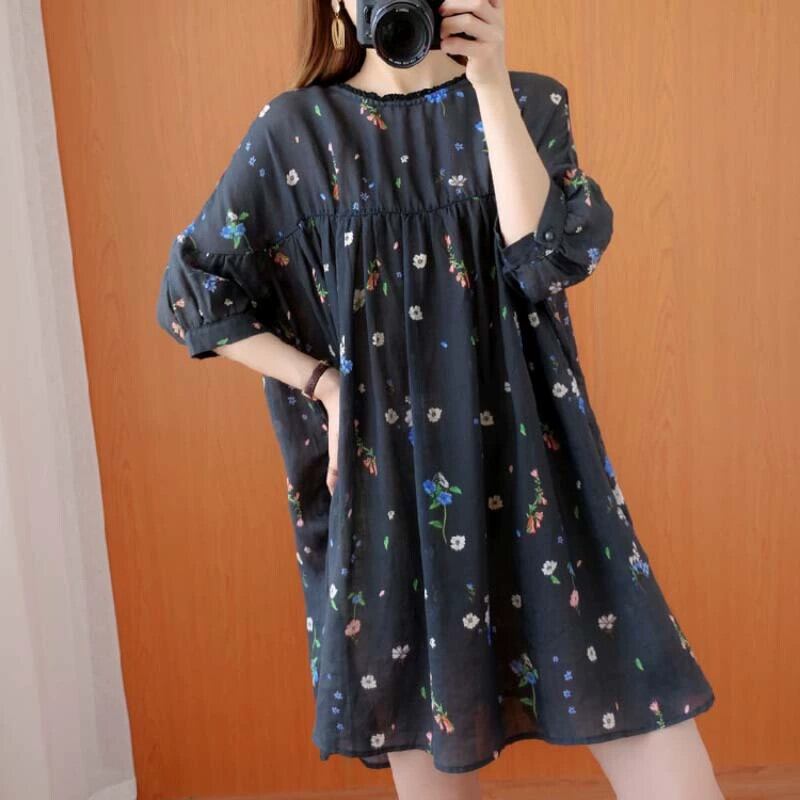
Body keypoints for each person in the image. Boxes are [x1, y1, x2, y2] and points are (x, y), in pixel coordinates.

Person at [155, 0, 724, 797]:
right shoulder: (296, 134)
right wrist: (322, 384)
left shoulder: (527, 102)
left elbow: (545, 260)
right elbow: (192, 293)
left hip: (540, 486)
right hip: (391, 507)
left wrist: (487, 81)